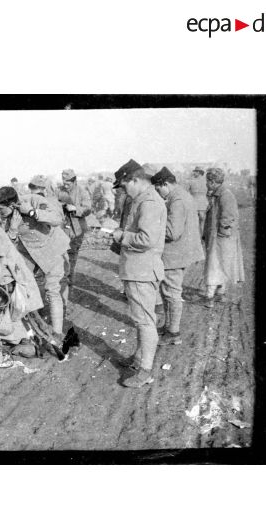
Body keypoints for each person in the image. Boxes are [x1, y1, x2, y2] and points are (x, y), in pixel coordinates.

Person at [111, 160, 167, 388]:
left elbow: (146, 239)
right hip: (138, 269)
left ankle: (145, 371)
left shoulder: (150, 203)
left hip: (141, 271)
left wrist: (121, 236)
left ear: (135, 180)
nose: (124, 191)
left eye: (124, 186)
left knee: (145, 322)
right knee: (141, 319)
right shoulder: (143, 199)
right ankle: (137, 360)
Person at [0, 178, 69, 335]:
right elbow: (7, 245)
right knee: (23, 285)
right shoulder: (4, 219)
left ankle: (57, 333)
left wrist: (33, 212)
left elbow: (57, 218)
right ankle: (35, 323)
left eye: (1, 209)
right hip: (28, 253)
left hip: (51, 247)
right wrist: (13, 229)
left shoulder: (33, 200)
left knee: (52, 289)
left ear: (12, 205)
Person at [151, 167, 204, 345]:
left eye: (159, 189)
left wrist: (153, 228)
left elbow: (173, 232)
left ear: (165, 184)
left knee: (171, 293)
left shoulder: (177, 199)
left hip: (175, 254)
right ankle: (169, 327)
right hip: (180, 253)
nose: (159, 193)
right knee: (168, 292)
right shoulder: (180, 195)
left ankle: (173, 333)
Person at [202, 168, 244, 308]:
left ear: (213, 182)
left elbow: (228, 217)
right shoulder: (217, 194)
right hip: (217, 237)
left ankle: (210, 297)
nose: (206, 184)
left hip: (221, 238)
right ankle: (220, 293)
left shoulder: (225, 195)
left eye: (208, 181)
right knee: (219, 265)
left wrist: (221, 233)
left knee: (214, 266)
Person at [56, 168, 92, 293]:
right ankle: (63, 277)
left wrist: (75, 209)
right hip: (63, 227)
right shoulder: (59, 191)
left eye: (68, 183)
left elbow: (88, 209)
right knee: (61, 253)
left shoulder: (82, 191)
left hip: (77, 227)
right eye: (64, 182)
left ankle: (69, 278)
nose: (65, 185)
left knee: (72, 254)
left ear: (74, 181)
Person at [185, 166, 208, 237]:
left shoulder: (194, 181)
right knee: (199, 221)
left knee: (198, 220)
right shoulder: (204, 181)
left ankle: (199, 236)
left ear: (198, 172)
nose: (194, 173)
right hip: (199, 202)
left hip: (198, 202)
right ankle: (199, 236)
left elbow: (186, 192)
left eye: (195, 172)